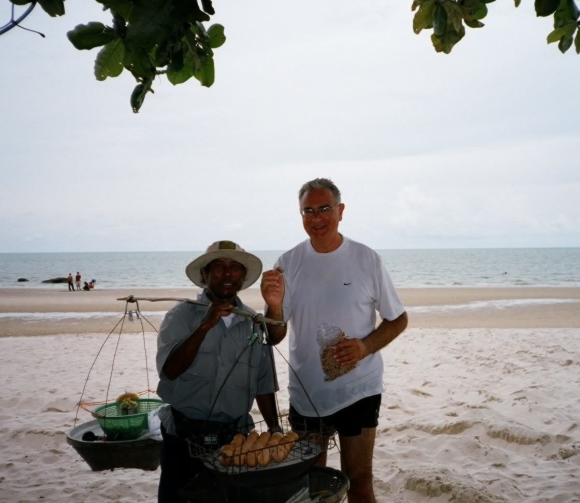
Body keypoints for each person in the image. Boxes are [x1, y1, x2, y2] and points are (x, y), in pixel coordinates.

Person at [261, 178, 407, 503]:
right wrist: (273, 306)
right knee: (312, 486)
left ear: (340, 211)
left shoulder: (367, 259)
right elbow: (274, 336)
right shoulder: (287, 263)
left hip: (359, 390)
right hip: (307, 394)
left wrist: (365, 346)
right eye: (307, 211)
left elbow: (399, 319)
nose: (316, 218)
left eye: (324, 208)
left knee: (360, 481)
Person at [156, 240, 280, 502]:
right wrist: (205, 325)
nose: (227, 273)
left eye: (235, 267)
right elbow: (169, 370)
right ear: (205, 275)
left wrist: (274, 428)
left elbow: (264, 382)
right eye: (219, 266)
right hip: (184, 436)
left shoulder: (253, 322)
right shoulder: (181, 315)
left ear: (243, 276)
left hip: (235, 440)